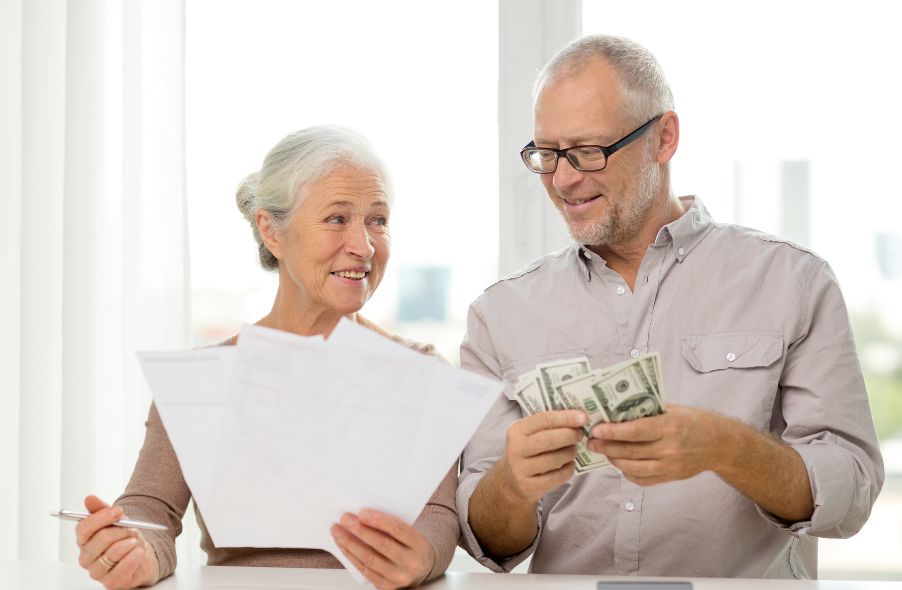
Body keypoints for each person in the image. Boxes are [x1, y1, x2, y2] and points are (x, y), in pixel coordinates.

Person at [457, 35, 883, 578]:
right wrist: (512, 485)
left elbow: (853, 492)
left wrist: (726, 447)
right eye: (546, 154)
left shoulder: (792, 281)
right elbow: (488, 540)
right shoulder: (500, 314)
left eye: (589, 151)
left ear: (664, 138)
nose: (563, 178)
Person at [73, 126, 459, 590]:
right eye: (337, 219)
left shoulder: (421, 372)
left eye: (378, 220)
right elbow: (149, 508)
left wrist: (424, 556)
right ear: (271, 230)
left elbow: (438, 514)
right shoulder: (205, 381)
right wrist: (134, 550)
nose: (365, 245)